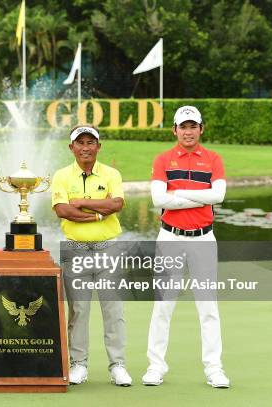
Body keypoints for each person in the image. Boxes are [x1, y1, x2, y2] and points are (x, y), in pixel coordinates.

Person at [142, 105, 230, 388]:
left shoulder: (213, 159)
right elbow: (158, 200)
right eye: (183, 126)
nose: (188, 131)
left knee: (208, 307)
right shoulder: (163, 159)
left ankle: (214, 369)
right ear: (175, 130)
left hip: (204, 238)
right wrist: (201, 197)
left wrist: (177, 193)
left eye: (193, 126)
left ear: (201, 129)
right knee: (164, 305)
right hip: (170, 238)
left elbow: (219, 195)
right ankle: (156, 366)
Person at [51, 124, 132, 386]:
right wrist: (100, 211)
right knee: (78, 311)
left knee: (113, 310)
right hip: (75, 251)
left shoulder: (111, 174)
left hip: (109, 248)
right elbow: (63, 210)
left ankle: (117, 365)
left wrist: (84, 204)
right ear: (71, 147)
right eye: (80, 143)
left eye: (90, 142)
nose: (85, 147)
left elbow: (116, 204)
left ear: (99, 146)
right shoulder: (62, 175)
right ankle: (78, 365)